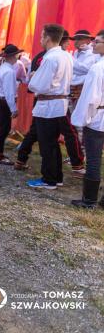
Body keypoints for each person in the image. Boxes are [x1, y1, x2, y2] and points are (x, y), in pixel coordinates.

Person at [27, 24, 73, 189]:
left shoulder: (50, 58)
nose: (40, 39)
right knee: (53, 143)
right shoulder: (66, 55)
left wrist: (33, 77)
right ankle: (56, 177)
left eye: (42, 36)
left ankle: (49, 179)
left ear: (47, 38)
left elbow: (39, 85)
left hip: (48, 106)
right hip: (59, 104)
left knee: (47, 144)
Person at [70, 30, 104, 209]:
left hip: (97, 118)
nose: (92, 44)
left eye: (97, 42)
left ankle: (89, 200)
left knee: (93, 160)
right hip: (99, 115)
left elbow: (90, 98)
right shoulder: (97, 65)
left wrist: (83, 120)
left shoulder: (97, 68)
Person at [0, 45, 21, 165]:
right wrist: (14, 109)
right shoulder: (9, 71)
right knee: (4, 129)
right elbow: (9, 93)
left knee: (2, 128)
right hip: (3, 102)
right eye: (17, 54)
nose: (18, 57)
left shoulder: (3, 68)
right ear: (13, 56)